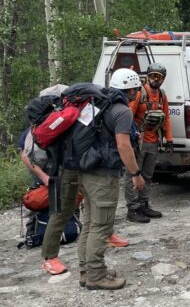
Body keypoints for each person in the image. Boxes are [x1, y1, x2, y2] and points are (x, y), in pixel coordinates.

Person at [20, 85, 128, 276]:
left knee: (87, 208)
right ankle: (49, 257)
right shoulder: (64, 115)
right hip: (62, 170)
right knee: (62, 212)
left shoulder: (76, 112)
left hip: (74, 167)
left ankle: (103, 238)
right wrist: (45, 178)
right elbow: (26, 154)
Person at [70, 69, 146, 290]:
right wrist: (136, 174)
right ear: (131, 89)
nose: (136, 94)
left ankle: (86, 271)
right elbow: (123, 146)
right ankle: (96, 274)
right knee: (102, 226)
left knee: (91, 223)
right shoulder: (122, 111)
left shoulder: (95, 105)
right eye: (136, 90)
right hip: (103, 176)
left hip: (85, 171)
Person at [124, 61, 173, 223]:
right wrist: (131, 134)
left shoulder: (162, 95)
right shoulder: (140, 93)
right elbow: (129, 114)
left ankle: (144, 204)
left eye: (159, 77)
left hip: (153, 140)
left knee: (147, 175)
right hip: (139, 141)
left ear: (163, 79)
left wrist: (169, 139)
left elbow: (166, 118)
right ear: (147, 76)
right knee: (133, 174)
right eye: (152, 76)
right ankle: (133, 208)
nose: (155, 79)